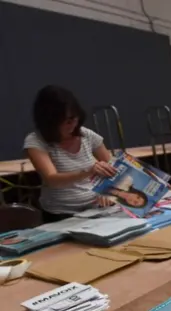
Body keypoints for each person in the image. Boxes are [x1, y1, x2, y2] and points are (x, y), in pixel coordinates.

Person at [24, 85, 116, 223]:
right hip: (61, 214)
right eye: (67, 121)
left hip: (96, 208)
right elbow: (52, 180)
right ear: (50, 122)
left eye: (75, 118)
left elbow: (114, 168)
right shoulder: (36, 141)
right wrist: (87, 171)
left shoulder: (87, 135)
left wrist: (109, 192)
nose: (73, 124)